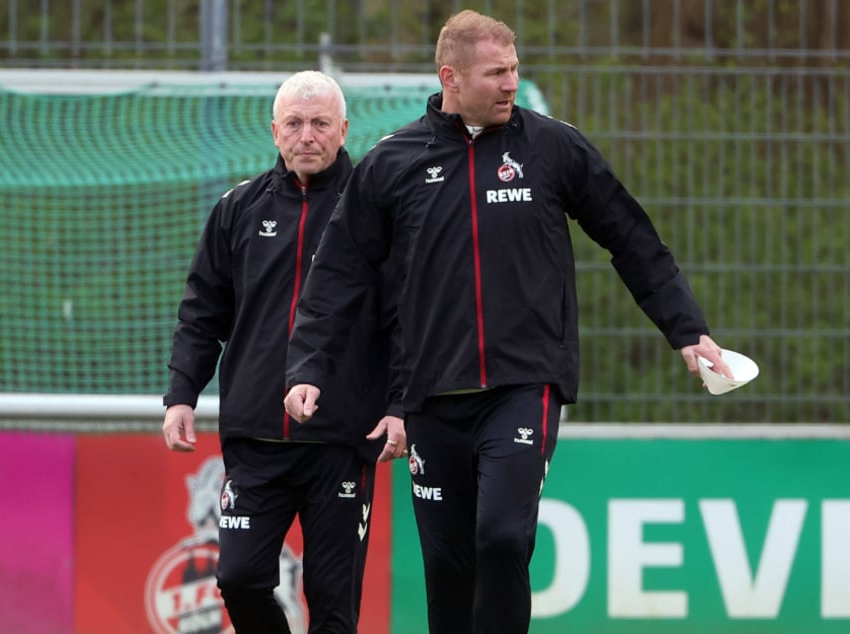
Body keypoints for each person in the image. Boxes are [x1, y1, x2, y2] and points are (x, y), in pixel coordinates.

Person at [283, 10, 733, 634]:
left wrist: (686, 328)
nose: (511, 83)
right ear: (451, 77)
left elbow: (631, 238)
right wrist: (309, 366)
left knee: (500, 536)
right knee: (448, 570)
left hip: (525, 386)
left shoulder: (552, 147)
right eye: (496, 73)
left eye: (514, 69)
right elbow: (338, 272)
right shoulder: (393, 162)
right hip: (431, 396)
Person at [162, 70, 400, 634]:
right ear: (274, 131)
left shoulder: (378, 213)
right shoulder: (237, 209)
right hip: (255, 438)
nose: (306, 136)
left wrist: (399, 405)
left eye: (320, 124)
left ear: (344, 130)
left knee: (332, 604)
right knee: (239, 579)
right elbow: (202, 312)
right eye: (294, 124)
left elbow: (403, 321)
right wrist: (181, 394)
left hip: (341, 440)